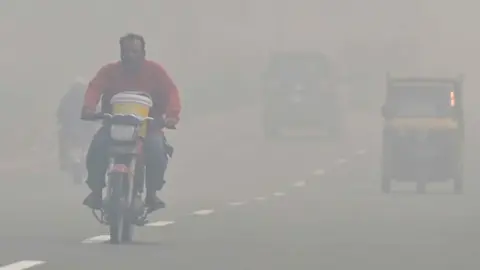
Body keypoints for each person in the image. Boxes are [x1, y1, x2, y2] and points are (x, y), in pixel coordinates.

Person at [80, 33, 181, 211]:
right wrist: (89, 108)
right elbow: (95, 88)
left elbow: (171, 92)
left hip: (148, 127)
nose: (130, 55)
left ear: (143, 52)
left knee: (157, 152)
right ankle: (96, 191)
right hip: (114, 126)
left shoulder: (155, 72)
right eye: (126, 51)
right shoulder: (109, 71)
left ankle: (151, 194)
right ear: (120, 53)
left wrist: (171, 115)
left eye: (135, 51)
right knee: (97, 148)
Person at [56, 77, 96, 171]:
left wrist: (61, 120)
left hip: (73, 128)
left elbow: (60, 112)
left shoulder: (67, 97)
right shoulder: (88, 97)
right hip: (86, 127)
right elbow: (97, 110)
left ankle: (64, 162)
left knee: (63, 140)